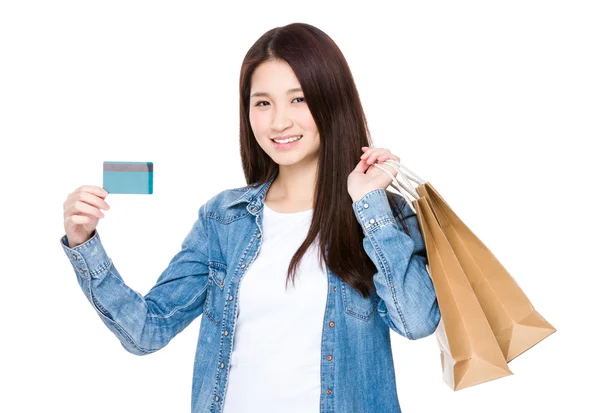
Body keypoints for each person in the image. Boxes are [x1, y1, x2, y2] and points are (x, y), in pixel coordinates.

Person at [60, 22, 440, 413]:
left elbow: (416, 322)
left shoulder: (381, 216)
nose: (279, 122)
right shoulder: (225, 219)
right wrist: (83, 241)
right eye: (263, 103)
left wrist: (370, 203)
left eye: (299, 99)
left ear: (332, 101)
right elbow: (146, 331)